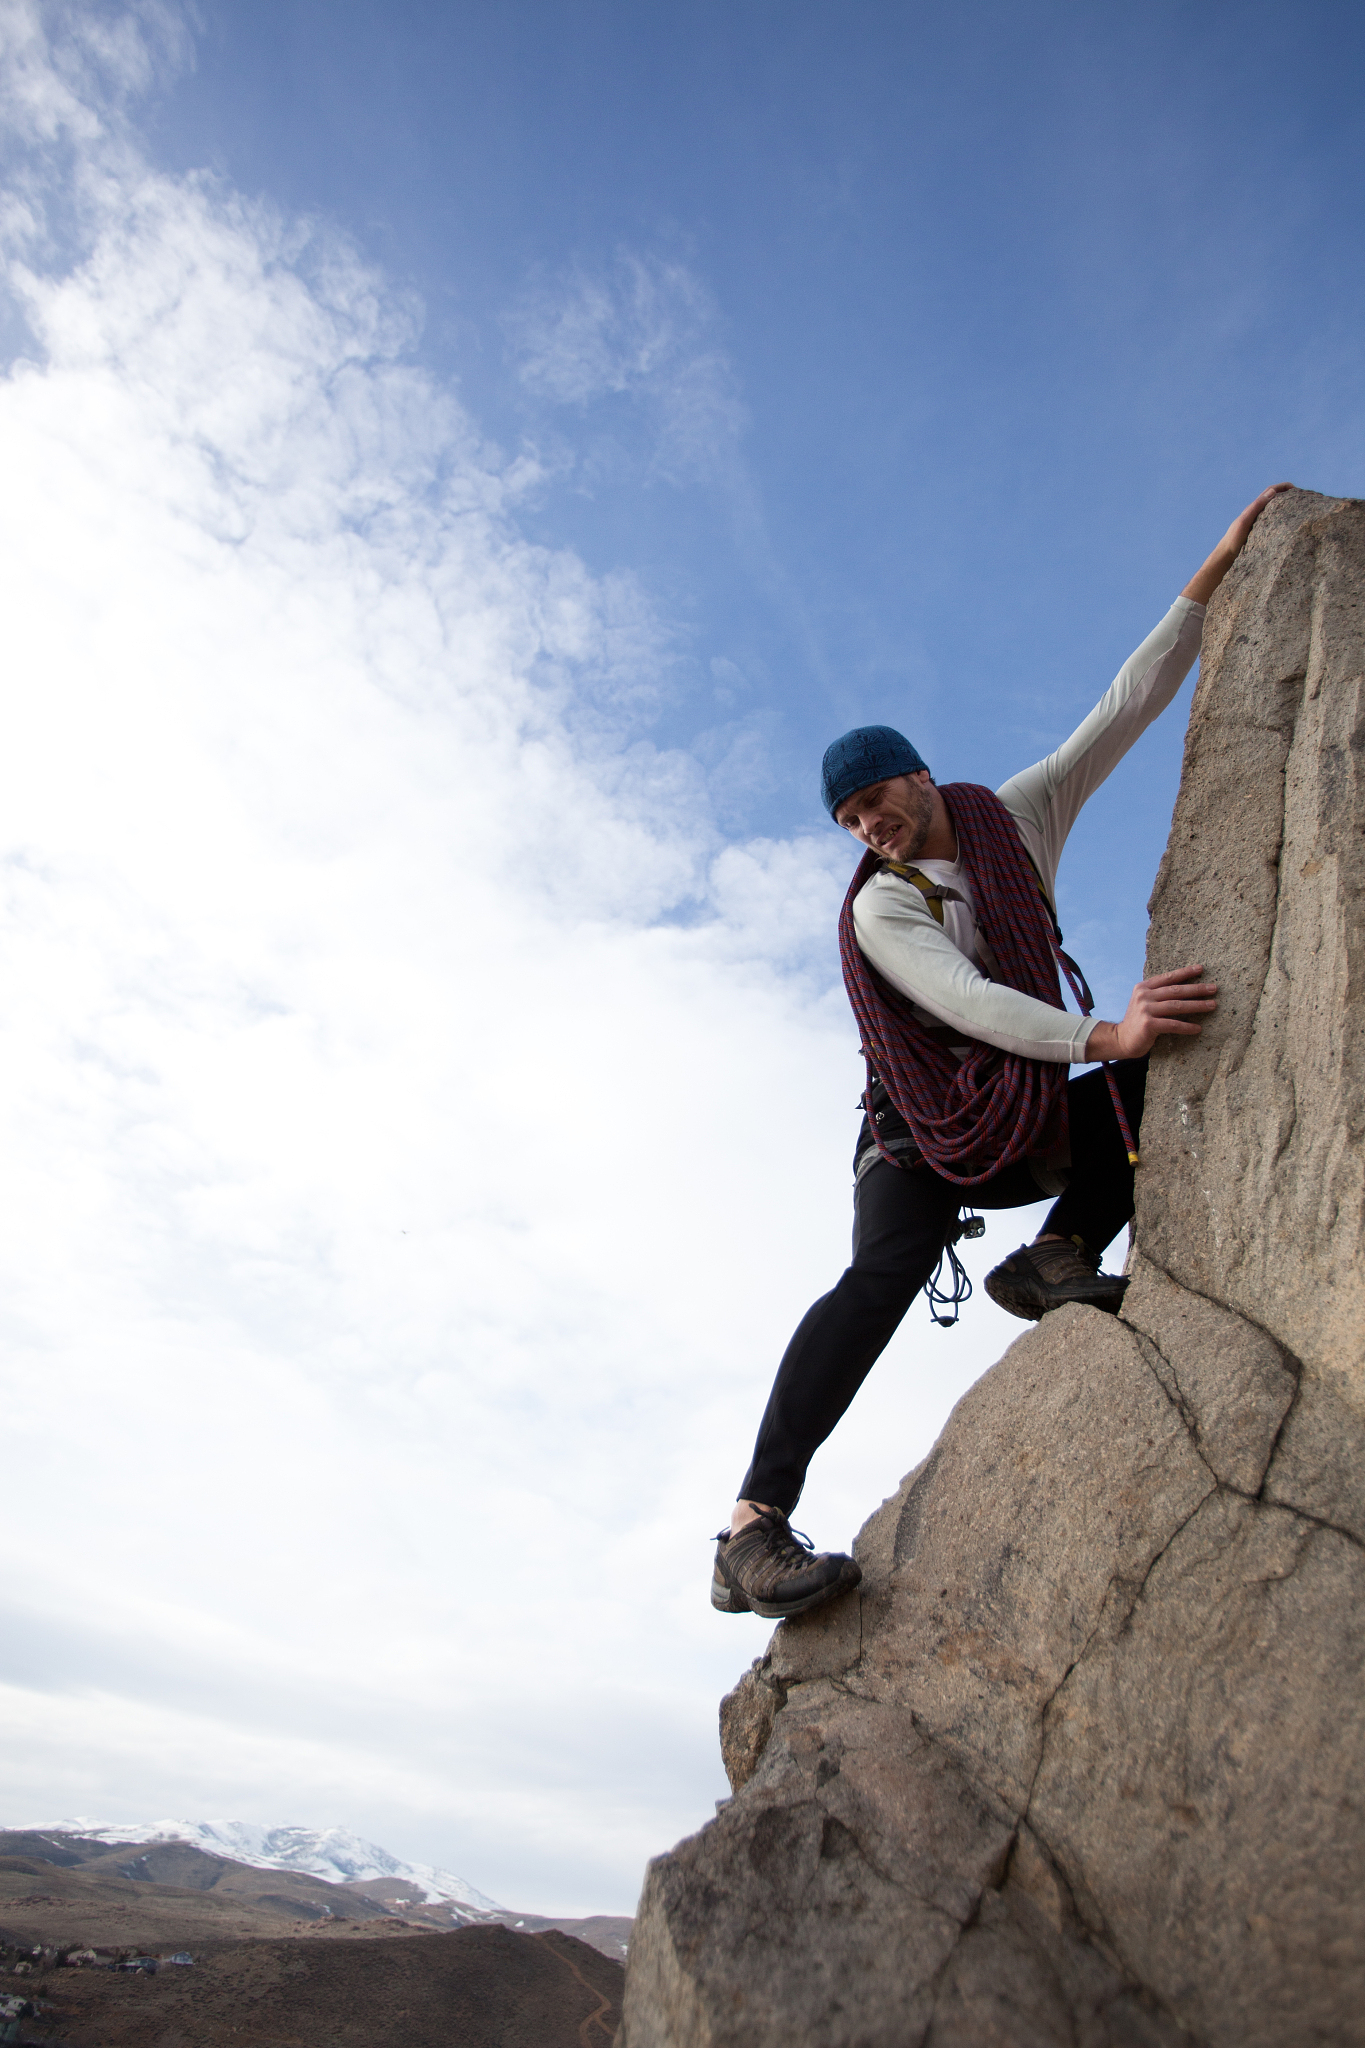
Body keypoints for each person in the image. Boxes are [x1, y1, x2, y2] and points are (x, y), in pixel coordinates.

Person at [712, 484, 1293, 1623]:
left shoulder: (1015, 818)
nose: (868, 828)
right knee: (879, 1279)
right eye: (850, 823)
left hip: (1015, 1110)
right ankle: (749, 1531)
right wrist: (1099, 1029)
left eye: (875, 801)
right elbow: (969, 1000)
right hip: (916, 1133)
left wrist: (1214, 568)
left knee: (1143, 1087)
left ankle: (1054, 1255)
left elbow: (1121, 709)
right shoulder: (884, 908)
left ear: (918, 774)